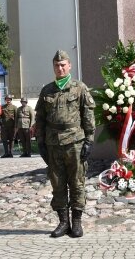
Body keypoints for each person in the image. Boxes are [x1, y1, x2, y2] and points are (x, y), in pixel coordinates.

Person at [35, 50, 95, 238]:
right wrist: (41, 143)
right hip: (53, 144)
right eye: (56, 65)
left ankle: (76, 222)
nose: (59, 68)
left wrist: (89, 140)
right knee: (58, 184)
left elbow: (88, 115)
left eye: (63, 65)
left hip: (75, 143)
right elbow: (40, 119)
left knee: (77, 183)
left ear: (69, 66)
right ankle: (63, 222)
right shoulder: (47, 91)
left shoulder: (80, 88)